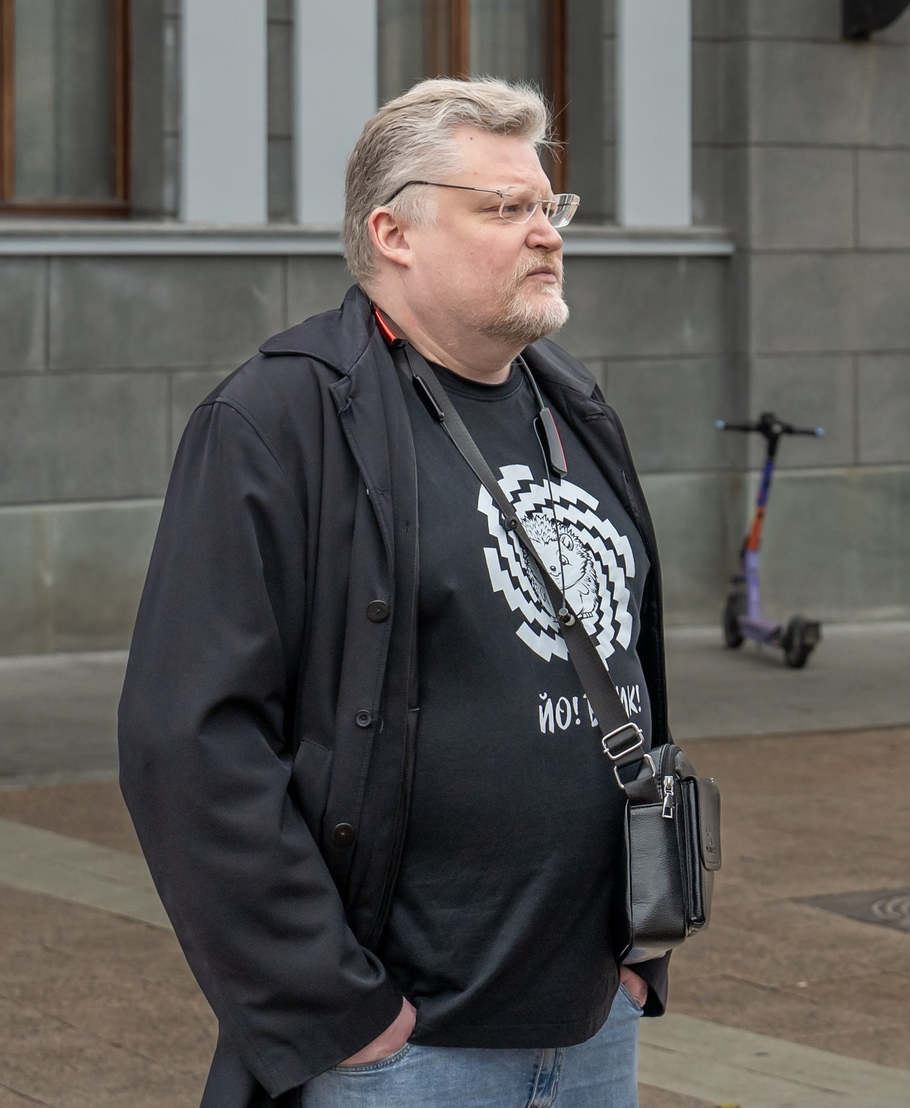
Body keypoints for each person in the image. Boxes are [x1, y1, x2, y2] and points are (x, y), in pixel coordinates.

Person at [119, 78, 670, 1108]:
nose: (545, 233)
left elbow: (631, 673)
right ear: (394, 231)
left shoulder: (576, 407)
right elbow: (186, 740)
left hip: (594, 1025)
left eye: (551, 208)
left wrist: (641, 953)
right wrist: (342, 1016)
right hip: (407, 1051)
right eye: (504, 208)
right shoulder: (276, 422)